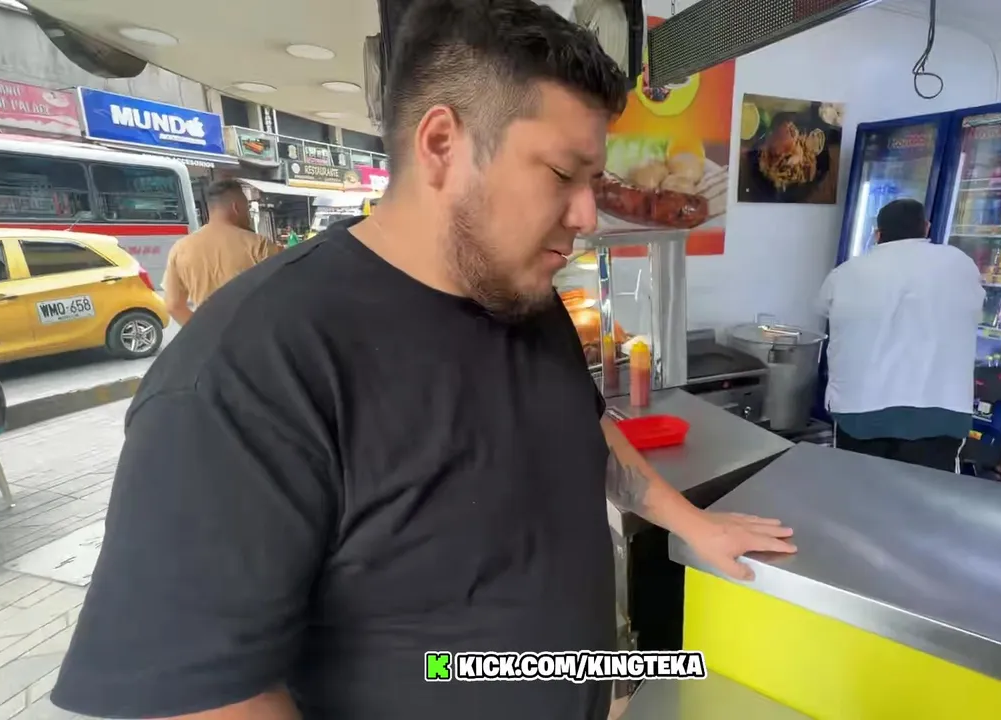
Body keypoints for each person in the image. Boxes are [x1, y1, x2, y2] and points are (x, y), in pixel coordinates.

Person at [50, 1, 796, 718]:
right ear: (441, 145)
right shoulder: (251, 368)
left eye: (592, 182)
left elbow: (584, 427)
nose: (585, 214)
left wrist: (692, 524)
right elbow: (198, 697)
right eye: (561, 175)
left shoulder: (526, 297)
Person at [818, 198, 985, 471]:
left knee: (857, 486)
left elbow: (823, 309)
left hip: (861, 409)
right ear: (926, 228)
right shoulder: (960, 263)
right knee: (927, 491)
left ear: (877, 234)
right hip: (941, 409)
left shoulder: (846, 272)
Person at [161, 179, 279, 325]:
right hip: (253, 332)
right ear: (236, 208)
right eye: (247, 208)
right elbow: (282, 296)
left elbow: (173, 306)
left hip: (209, 335)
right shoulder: (259, 245)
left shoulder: (180, 248)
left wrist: (204, 331)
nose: (248, 214)